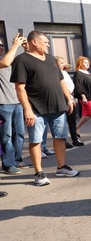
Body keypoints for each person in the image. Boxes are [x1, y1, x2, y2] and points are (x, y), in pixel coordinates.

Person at [10, 30, 80, 186]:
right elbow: (20, 88)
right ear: (34, 42)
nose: (49, 44)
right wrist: (27, 109)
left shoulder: (50, 59)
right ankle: (39, 173)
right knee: (35, 140)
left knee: (60, 137)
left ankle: (61, 167)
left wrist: (69, 98)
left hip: (58, 106)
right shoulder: (22, 60)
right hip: (36, 109)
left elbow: (61, 81)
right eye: (46, 42)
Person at [0, 33, 26, 186]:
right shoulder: (3, 61)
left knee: (20, 134)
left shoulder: (10, 59)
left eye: (2, 45)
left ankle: (17, 160)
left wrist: (24, 46)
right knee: (6, 136)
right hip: (3, 104)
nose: (1, 47)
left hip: (17, 102)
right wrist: (15, 46)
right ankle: (8, 164)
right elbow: (4, 63)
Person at [55, 56, 84, 147]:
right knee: (61, 121)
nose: (63, 64)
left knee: (72, 119)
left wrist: (71, 97)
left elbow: (71, 85)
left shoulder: (64, 73)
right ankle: (63, 140)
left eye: (63, 62)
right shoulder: (53, 73)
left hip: (69, 97)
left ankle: (75, 138)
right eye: (61, 62)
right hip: (60, 99)